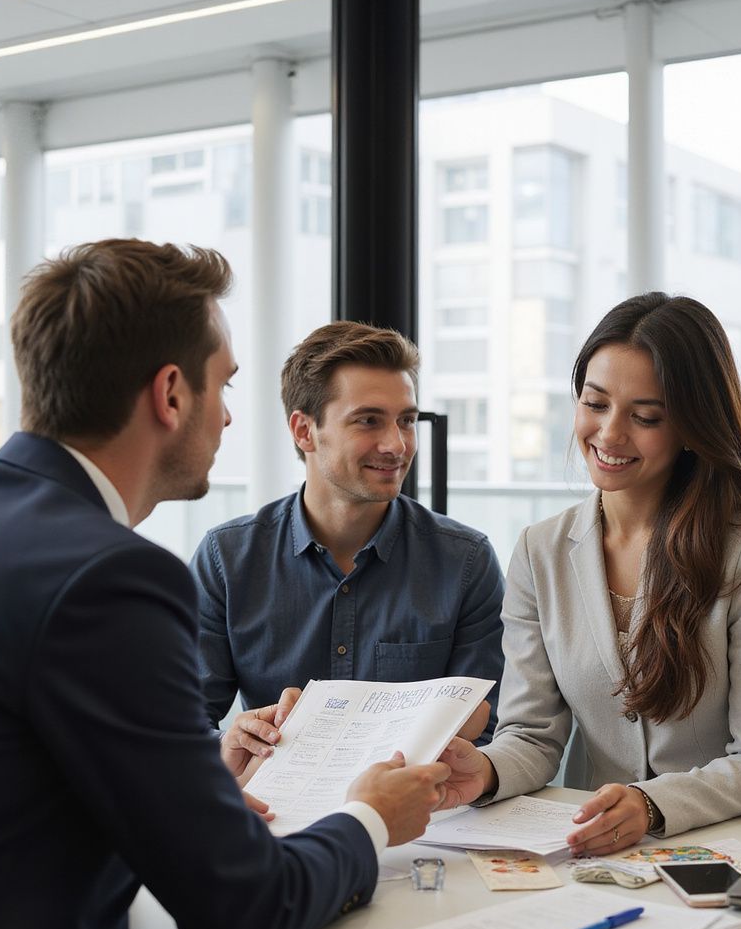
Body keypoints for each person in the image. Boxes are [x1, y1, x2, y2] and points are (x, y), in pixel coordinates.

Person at [0, 240, 453, 929]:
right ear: (170, 394)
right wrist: (368, 819)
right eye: (222, 384)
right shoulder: (108, 575)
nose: (226, 414)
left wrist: (190, 787)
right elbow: (247, 912)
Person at [438, 292, 741, 851]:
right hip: (612, 847)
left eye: (645, 417)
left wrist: (652, 804)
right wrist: (484, 770)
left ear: (692, 427)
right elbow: (532, 735)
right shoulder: (539, 550)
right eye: (595, 404)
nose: (610, 434)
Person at [191, 320, 505, 779]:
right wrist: (231, 742)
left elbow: (483, 722)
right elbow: (184, 723)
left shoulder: (466, 561)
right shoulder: (228, 558)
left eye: (407, 421)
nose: (397, 444)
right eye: (368, 420)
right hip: (273, 817)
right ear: (304, 431)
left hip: (421, 820)